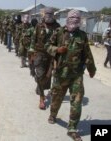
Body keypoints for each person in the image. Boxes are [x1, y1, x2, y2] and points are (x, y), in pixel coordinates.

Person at [46, 10, 96, 141]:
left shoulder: (82, 35)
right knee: (56, 98)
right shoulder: (59, 32)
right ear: (67, 19)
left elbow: (87, 54)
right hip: (60, 74)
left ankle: (72, 128)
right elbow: (47, 46)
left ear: (79, 20)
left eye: (77, 18)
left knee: (77, 102)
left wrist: (92, 69)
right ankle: (53, 114)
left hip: (76, 75)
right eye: (72, 17)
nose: (74, 20)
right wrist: (57, 49)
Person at [29, 7, 60, 110]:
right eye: (47, 14)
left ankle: (43, 89)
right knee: (40, 75)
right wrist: (31, 56)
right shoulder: (39, 26)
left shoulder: (57, 27)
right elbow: (33, 41)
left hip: (52, 56)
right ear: (43, 15)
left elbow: (60, 42)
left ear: (53, 15)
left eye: (51, 14)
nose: (49, 16)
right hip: (40, 55)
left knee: (48, 76)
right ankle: (42, 99)